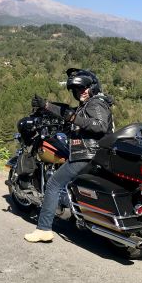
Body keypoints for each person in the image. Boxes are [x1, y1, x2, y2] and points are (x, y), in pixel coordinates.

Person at [24, 68, 114, 243]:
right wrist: (46, 106)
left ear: (93, 87)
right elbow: (67, 112)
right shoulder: (88, 104)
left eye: (85, 88)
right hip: (93, 154)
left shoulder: (96, 103)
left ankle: (43, 229)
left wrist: (74, 119)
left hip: (87, 154)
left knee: (53, 184)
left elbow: (100, 125)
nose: (82, 92)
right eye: (78, 89)